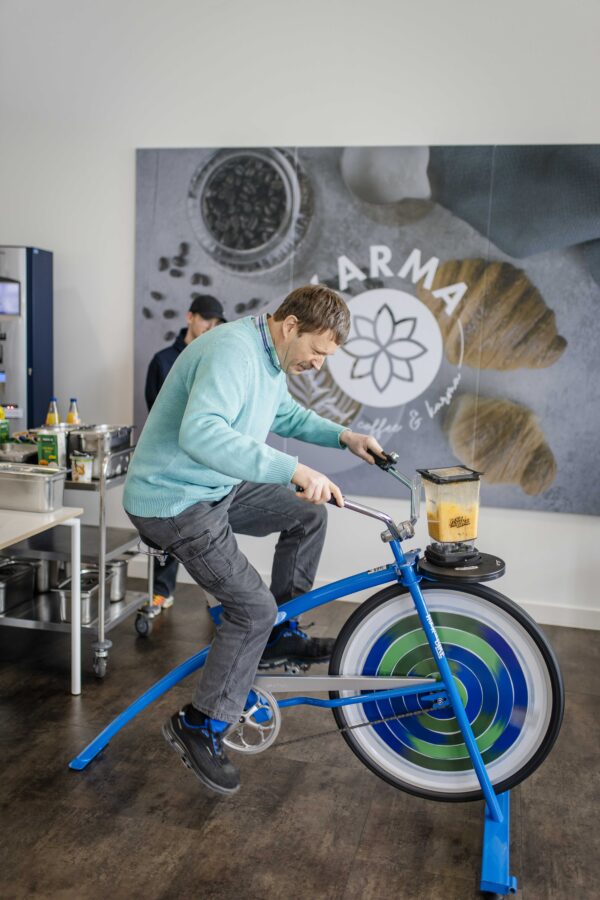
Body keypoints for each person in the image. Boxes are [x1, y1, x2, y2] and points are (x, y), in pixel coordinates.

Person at [124, 284, 384, 795]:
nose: (318, 364)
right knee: (251, 609)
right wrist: (292, 468)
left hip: (213, 486)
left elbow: (282, 415)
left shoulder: (268, 359)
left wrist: (344, 436)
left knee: (307, 517)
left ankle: (280, 634)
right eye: (317, 351)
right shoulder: (231, 351)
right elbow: (201, 433)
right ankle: (200, 723)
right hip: (174, 499)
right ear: (291, 326)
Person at [143, 294, 226, 609]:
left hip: (208, 463)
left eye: (216, 322)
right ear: (190, 317)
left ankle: (218, 597)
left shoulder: (217, 359)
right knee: (162, 532)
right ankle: (160, 590)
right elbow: (156, 415)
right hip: (168, 462)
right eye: (206, 319)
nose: (210, 326)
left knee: (214, 532)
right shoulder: (162, 360)